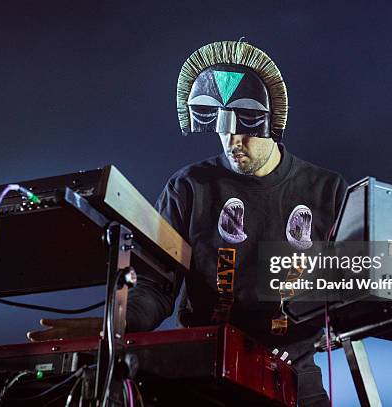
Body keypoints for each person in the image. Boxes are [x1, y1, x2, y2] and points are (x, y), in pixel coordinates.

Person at [29, 41, 347, 407]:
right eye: (220, 127)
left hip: (294, 373)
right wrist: (116, 324)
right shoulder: (188, 188)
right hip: (207, 370)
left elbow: (355, 283)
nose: (232, 141)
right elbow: (155, 284)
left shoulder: (326, 190)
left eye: (244, 129)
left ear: (272, 123)